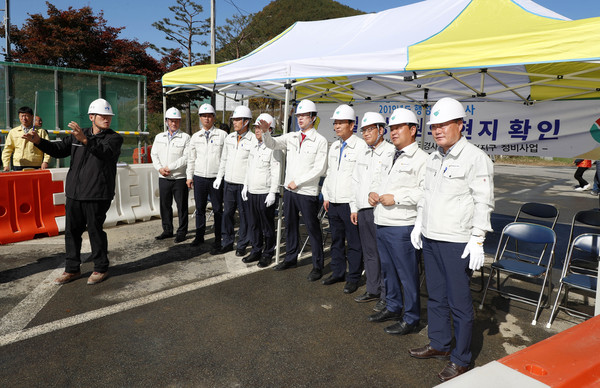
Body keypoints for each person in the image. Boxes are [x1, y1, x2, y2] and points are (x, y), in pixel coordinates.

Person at [408, 98, 494, 382]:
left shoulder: (475, 158)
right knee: (436, 296)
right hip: (431, 238)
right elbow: (426, 195)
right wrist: (420, 224)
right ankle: (440, 344)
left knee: (459, 302)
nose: (438, 130)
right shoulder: (435, 157)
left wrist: (478, 237)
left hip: (457, 241)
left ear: (460, 124)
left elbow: (484, 201)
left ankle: (461, 359)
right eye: (434, 126)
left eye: (444, 124)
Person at [23, 98, 123, 285]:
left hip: (97, 193)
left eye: (109, 116)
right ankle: (72, 269)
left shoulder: (114, 138)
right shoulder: (79, 134)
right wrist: (38, 141)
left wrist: (85, 140)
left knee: (95, 230)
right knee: (71, 232)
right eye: (103, 115)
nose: (107, 118)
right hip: (75, 193)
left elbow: (105, 153)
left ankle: (101, 267)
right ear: (92, 117)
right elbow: (59, 149)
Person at [367, 108, 428, 336]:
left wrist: (398, 198)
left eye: (398, 128)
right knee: (388, 271)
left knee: (407, 274)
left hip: (402, 225)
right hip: (382, 220)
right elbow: (379, 181)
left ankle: (411, 318)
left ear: (412, 130)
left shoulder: (422, 159)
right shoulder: (389, 155)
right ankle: (393, 306)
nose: (393, 132)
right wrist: (373, 193)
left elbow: (425, 192)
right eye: (391, 128)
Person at [260, 99, 328, 282]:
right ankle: (290, 258)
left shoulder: (320, 141)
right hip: (290, 192)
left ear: (313, 118)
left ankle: (317, 265)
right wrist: (266, 132)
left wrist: (297, 181)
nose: (300, 119)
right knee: (289, 225)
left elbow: (319, 169)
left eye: (304, 116)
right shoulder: (291, 136)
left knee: (313, 229)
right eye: (298, 116)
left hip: (306, 193)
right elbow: (272, 144)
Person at [350, 112, 395, 311]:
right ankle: (372, 288)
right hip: (363, 210)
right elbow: (355, 182)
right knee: (369, 253)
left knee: (383, 255)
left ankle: (387, 295)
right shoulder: (363, 153)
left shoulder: (391, 152)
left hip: (381, 210)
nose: (366, 133)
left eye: (370, 129)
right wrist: (354, 207)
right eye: (364, 130)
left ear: (381, 131)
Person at [320, 104, 365, 294]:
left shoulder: (361, 146)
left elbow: (360, 179)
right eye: (335, 123)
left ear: (352, 125)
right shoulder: (335, 145)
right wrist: (327, 195)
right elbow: (330, 172)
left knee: (354, 243)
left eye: (340, 123)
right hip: (334, 202)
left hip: (350, 204)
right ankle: (338, 272)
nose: (337, 126)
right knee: (336, 240)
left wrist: (355, 207)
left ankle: (353, 277)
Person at [241, 113, 283, 268]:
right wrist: (245, 185)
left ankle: (267, 253)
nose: (257, 131)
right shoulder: (254, 146)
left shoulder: (274, 148)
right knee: (253, 225)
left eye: (260, 128)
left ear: (269, 129)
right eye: (256, 128)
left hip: (265, 193)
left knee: (267, 226)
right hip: (252, 191)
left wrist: (273, 192)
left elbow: (276, 171)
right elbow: (248, 169)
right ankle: (256, 250)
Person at [212, 105, 254, 256]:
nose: (234, 122)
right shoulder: (229, 138)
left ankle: (242, 244)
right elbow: (224, 159)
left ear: (246, 121)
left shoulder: (253, 139)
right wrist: (219, 177)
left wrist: (247, 184)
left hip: (243, 184)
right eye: (233, 119)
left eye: (237, 119)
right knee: (227, 214)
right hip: (229, 183)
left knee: (244, 215)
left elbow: (252, 164)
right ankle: (227, 242)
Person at [186, 103, 227, 249]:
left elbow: (225, 158)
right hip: (199, 177)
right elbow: (191, 158)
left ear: (214, 118)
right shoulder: (195, 137)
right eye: (204, 116)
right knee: (200, 208)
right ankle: (199, 236)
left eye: (209, 116)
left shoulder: (222, 135)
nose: (207, 119)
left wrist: (221, 177)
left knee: (217, 209)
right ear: (200, 118)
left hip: (216, 178)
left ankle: (218, 237)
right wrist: (189, 176)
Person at [151, 107, 191, 243]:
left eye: (177, 121)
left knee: (182, 206)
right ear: (166, 121)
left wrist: (170, 167)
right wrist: (160, 169)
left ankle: (182, 231)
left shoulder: (185, 137)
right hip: (163, 177)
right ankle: (167, 230)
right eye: (171, 121)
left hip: (179, 178)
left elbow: (186, 157)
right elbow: (154, 154)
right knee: (165, 205)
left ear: (180, 122)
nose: (174, 123)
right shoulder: (159, 137)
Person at [2, 106, 50, 171]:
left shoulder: (41, 132)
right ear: (19, 117)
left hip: (35, 165)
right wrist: (6, 165)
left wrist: (45, 161)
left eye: (26, 116)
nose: (24, 118)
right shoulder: (13, 132)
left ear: (32, 117)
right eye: (22, 116)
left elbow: (47, 148)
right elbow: (7, 149)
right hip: (18, 165)